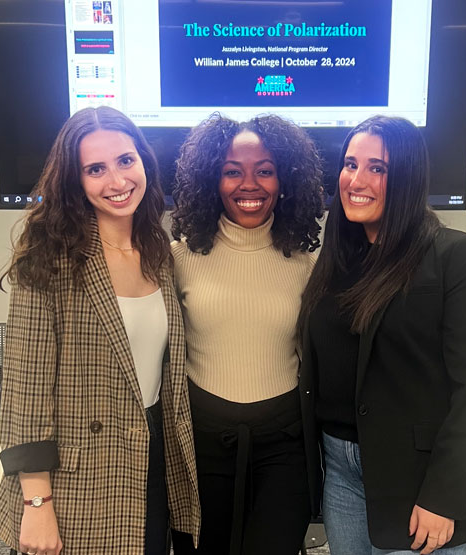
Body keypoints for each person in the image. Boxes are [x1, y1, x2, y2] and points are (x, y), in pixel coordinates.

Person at [0, 106, 200, 555]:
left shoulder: (158, 250)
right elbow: (25, 390)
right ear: (75, 181)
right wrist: (37, 501)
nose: (117, 180)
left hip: (151, 453)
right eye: (95, 169)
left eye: (126, 161)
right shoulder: (48, 259)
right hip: (75, 475)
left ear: (144, 162)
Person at [298, 116, 466, 555]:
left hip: (420, 479)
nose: (357, 179)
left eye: (378, 168)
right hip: (341, 470)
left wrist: (443, 497)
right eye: (350, 164)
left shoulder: (459, 257)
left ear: (408, 178)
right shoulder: (338, 261)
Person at [169, 113, 324, 555]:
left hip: (284, 448)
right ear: (210, 181)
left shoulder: (308, 266)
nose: (249, 184)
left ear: (285, 180)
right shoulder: (177, 259)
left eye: (265, 171)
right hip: (199, 441)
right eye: (232, 171)